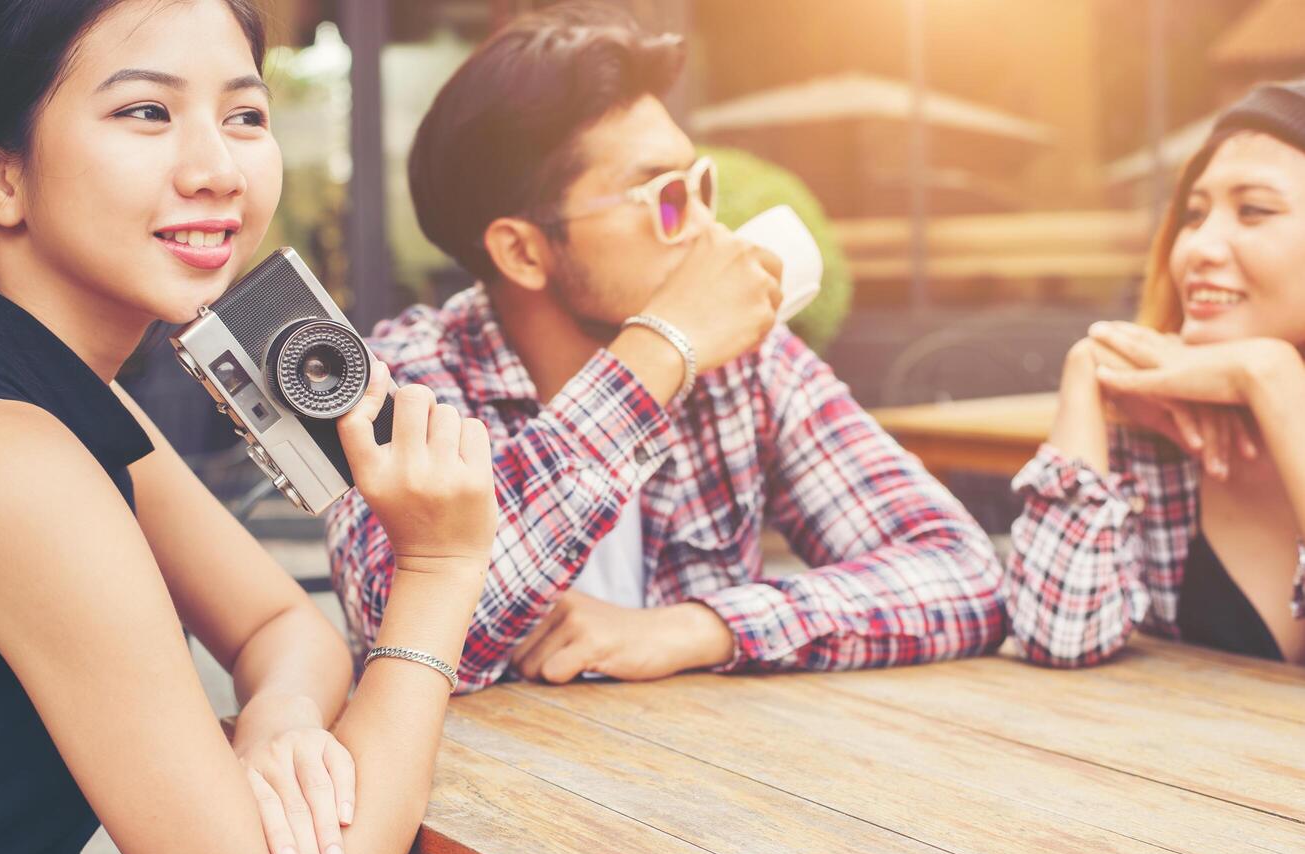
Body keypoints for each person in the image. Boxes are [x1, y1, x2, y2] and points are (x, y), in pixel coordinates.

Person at [0, 1, 496, 854]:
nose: (217, 170)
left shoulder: (39, 386)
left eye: (244, 116)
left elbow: (283, 624)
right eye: (146, 113)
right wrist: (439, 566)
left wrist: (280, 717)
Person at [325, 2, 1004, 693]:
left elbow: (963, 575)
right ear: (523, 252)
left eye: (698, 185)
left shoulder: (744, 364)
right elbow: (420, 645)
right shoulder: (405, 387)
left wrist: (698, 627)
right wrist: (656, 353)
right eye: (664, 197)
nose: (707, 229)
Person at [1005, 79, 1305, 668]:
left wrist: (1274, 379)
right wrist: (1086, 371)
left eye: (1255, 210)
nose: (1200, 247)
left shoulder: (1268, 379)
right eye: (1194, 215)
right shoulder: (1152, 419)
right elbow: (1061, 636)